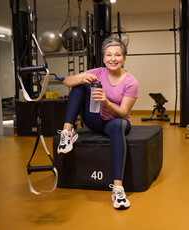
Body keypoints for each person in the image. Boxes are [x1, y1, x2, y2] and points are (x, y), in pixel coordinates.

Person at [57, 37, 138, 209]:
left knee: (118, 124)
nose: (113, 59)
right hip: (94, 120)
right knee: (80, 84)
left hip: (115, 122)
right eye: (109, 55)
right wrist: (82, 78)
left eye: (117, 55)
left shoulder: (131, 82)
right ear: (103, 58)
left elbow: (123, 113)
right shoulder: (99, 72)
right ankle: (67, 133)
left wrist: (107, 102)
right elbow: (66, 81)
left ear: (124, 58)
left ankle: (118, 189)